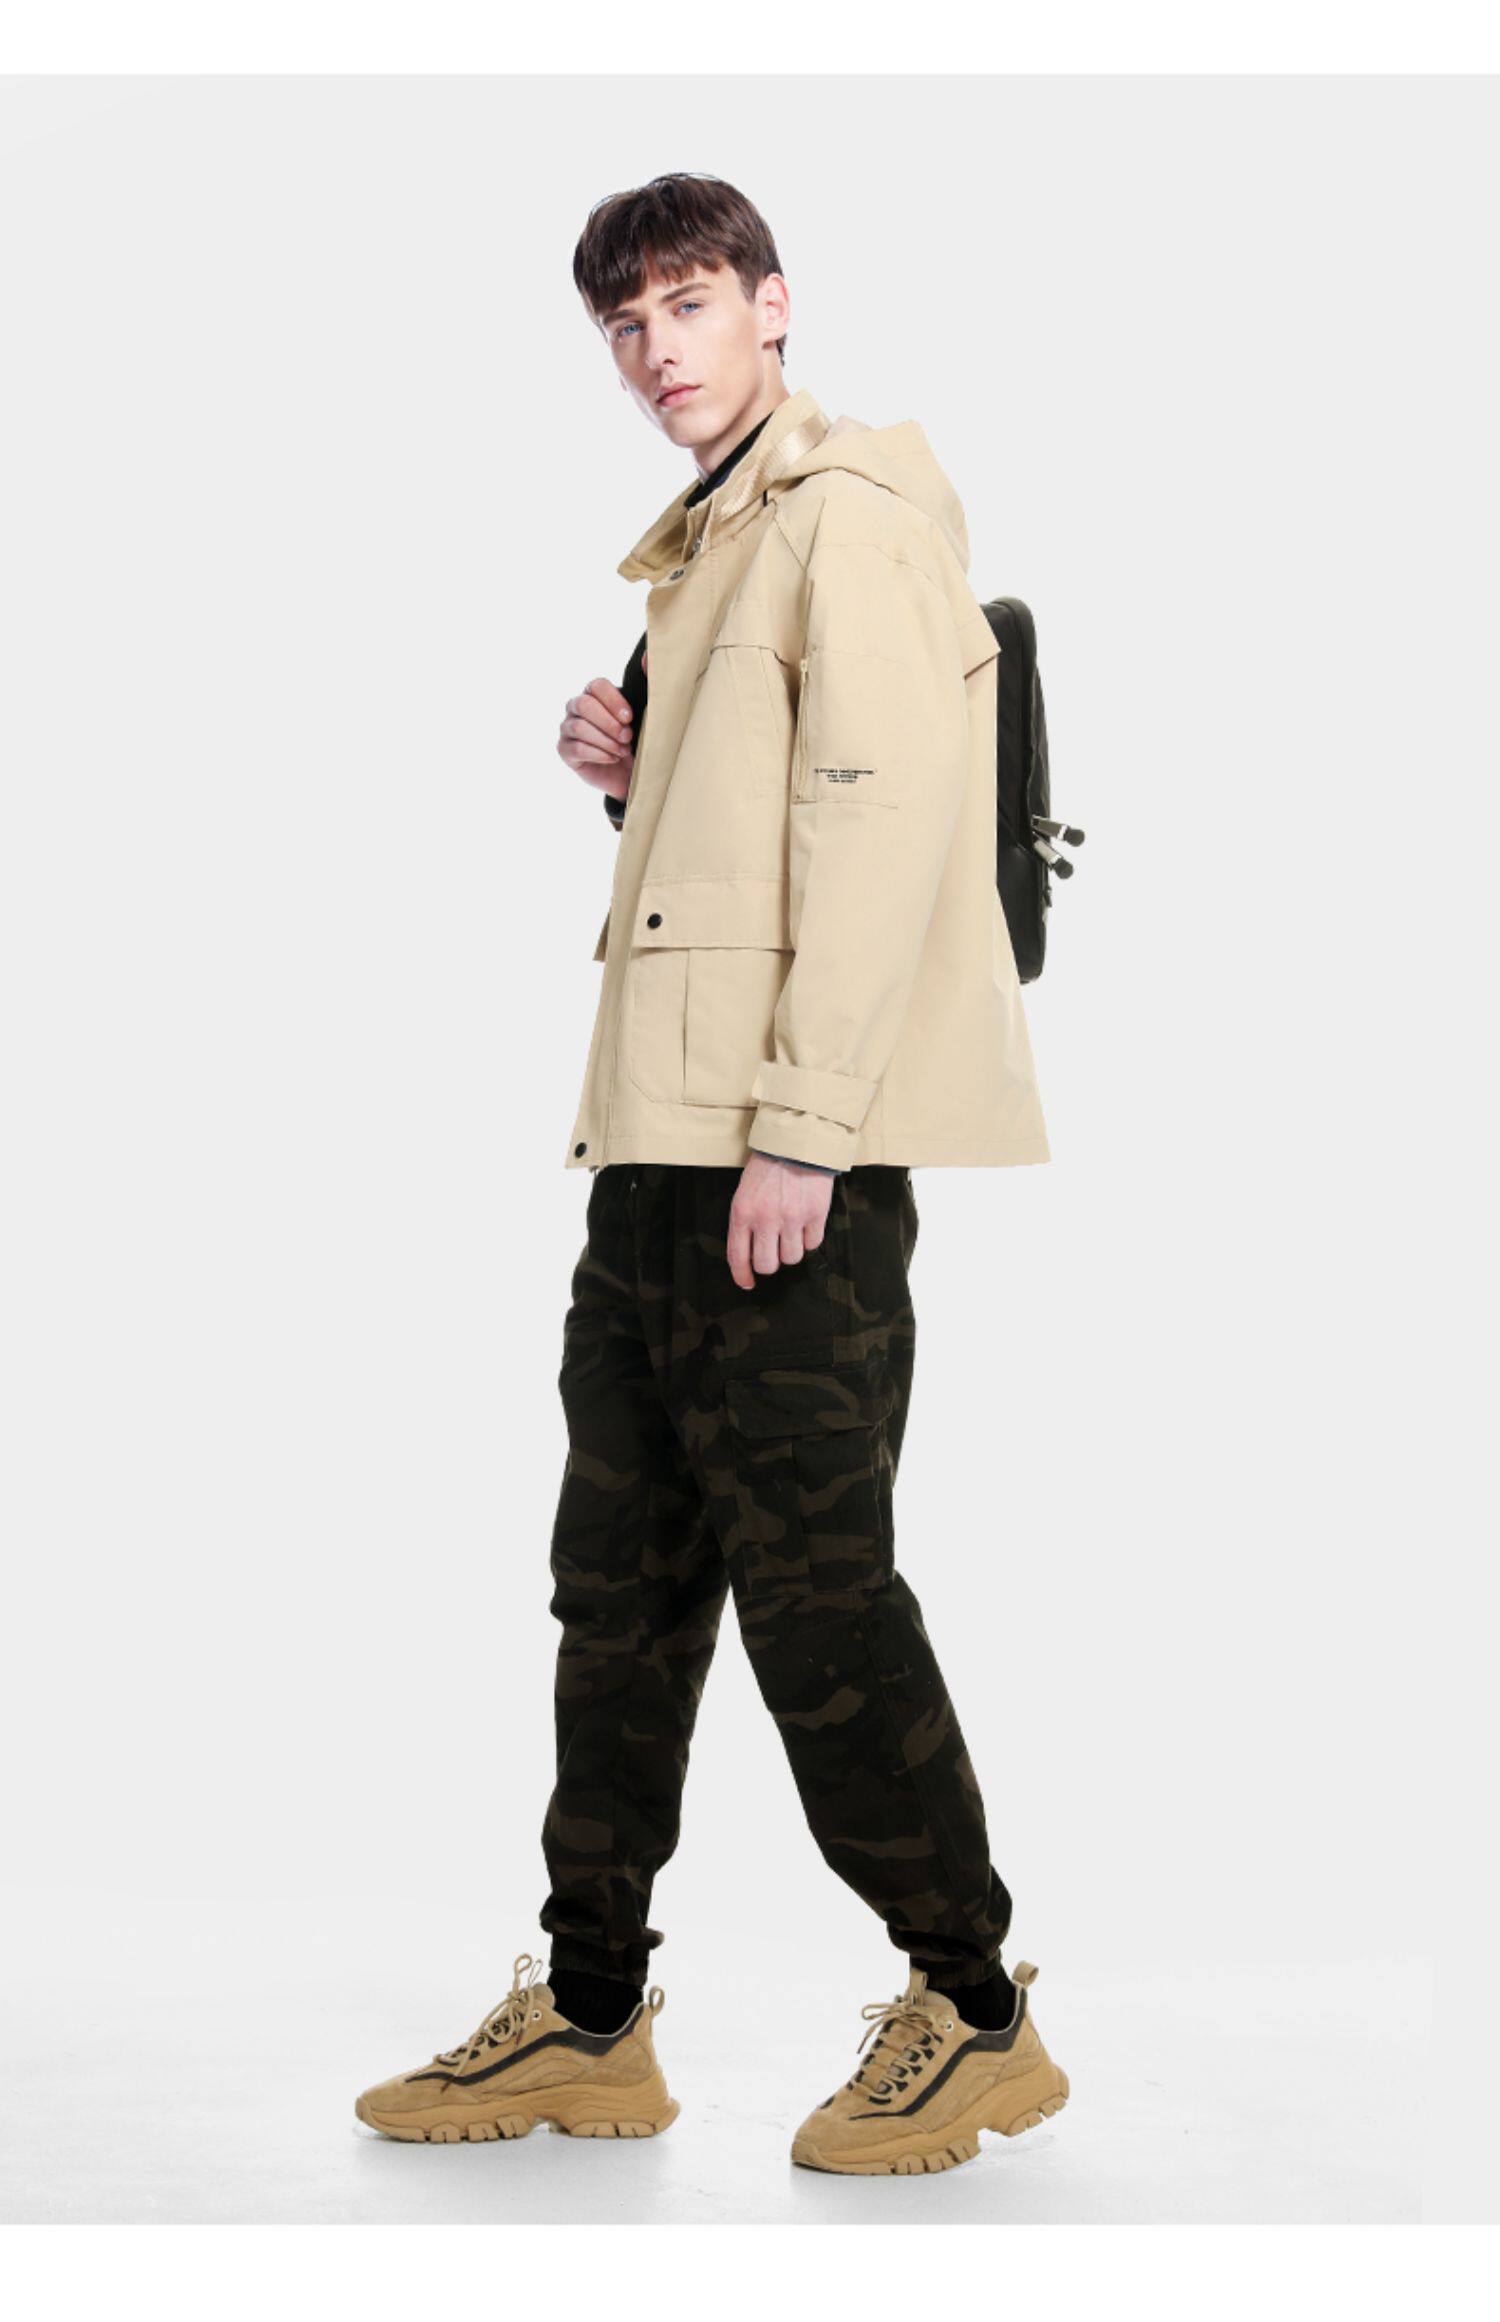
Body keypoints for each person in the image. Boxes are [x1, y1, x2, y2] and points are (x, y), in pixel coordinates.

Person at [355, 173, 1068, 2177]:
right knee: (619, 1588)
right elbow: (754, 834)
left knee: (817, 1597)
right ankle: (592, 2016)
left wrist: (806, 1131)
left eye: (686, 302)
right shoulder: (714, 545)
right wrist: (634, 774)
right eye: (624, 323)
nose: (655, 347)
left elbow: (881, 835)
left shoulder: (851, 521)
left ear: (773, 303)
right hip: (659, 1155)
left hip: (778, 1163)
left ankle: (977, 2008)